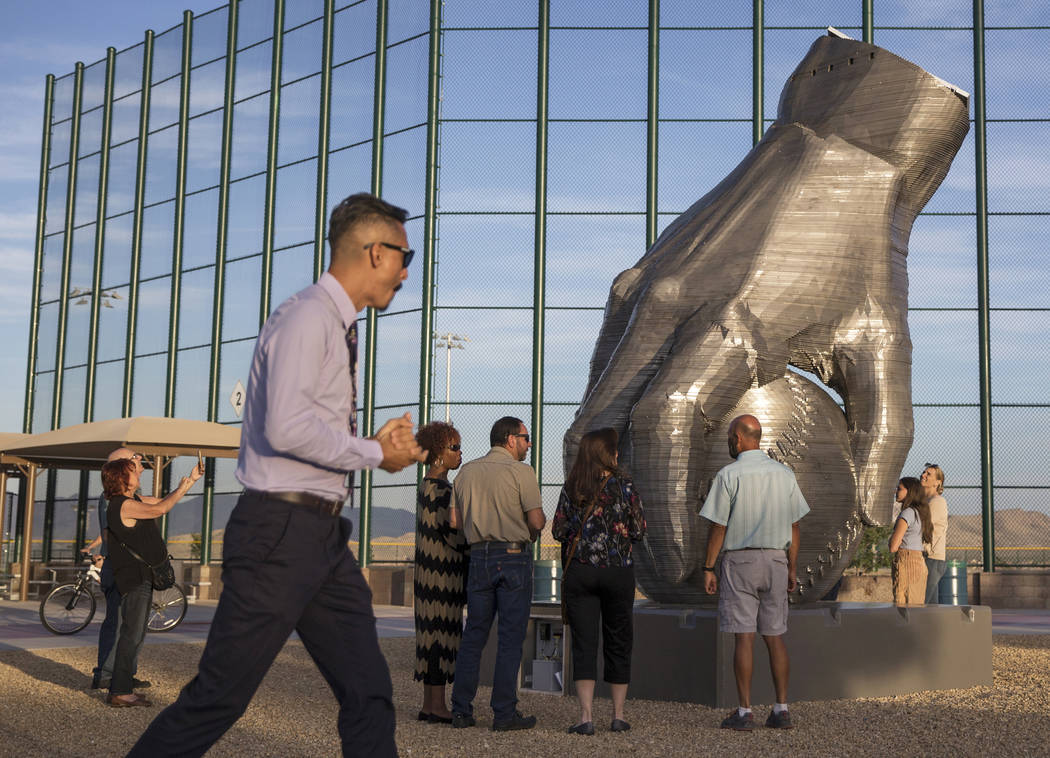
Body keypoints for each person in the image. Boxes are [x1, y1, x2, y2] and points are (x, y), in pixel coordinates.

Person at [127, 193, 426, 757]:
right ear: (373, 251)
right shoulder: (308, 316)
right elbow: (287, 428)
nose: (407, 272)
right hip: (280, 531)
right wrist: (373, 452)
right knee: (217, 698)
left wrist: (375, 445)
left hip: (320, 538)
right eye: (404, 257)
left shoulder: (341, 327)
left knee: (369, 693)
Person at [700, 414, 809, 731]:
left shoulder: (728, 475)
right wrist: (792, 565)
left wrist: (709, 567)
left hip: (741, 562)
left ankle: (745, 712)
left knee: (744, 638)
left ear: (737, 437)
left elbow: (718, 526)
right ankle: (781, 708)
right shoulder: (784, 474)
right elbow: (795, 525)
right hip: (777, 560)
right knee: (775, 637)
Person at [448, 416, 545, 732]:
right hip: (514, 555)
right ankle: (503, 713)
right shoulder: (521, 472)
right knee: (510, 638)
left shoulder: (466, 472)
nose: (529, 444)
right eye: (526, 437)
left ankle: (461, 711)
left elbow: (454, 522)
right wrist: (527, 534)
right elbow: (538, 521)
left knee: (474, 633)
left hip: (479, 557)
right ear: (510, 439)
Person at [553, 427, 646, 736]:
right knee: (619, 640)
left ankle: (586, 716)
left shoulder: (572, 486)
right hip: (618, 570)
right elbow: (638, 529)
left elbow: (558, 530)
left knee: (584, 642)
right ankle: (618, 715)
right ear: (609, 453)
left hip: (581, 571)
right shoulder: (626, 485)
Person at [101, 455, 202, 707]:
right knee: (131, 634)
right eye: (132, 471)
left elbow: (159, 501)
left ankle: (121, 687)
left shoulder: (132, 500)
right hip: (134, 579)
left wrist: (189, 481)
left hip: (141, 577)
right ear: (122, 478)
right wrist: (181, 488)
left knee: (134, 633)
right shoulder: (121, 505)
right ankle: (120, 692)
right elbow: (160, 509)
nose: (138, 474)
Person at [84, 447, 154, 691]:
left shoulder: (132, 493)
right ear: (123, 466)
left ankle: (122, 673)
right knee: (120, 624)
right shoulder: (114, 497)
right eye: (135, 456)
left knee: (133, 626)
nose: (140, 458)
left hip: (130, 567)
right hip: (122, 569)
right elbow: (111, 532)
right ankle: (106, 674)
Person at [413, 421, 467, 723]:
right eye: (454, 448)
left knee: (429, 635)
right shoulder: (443, 491)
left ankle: (429, 704)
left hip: (426, 573)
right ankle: (438, 706)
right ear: (438, 454)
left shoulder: (425, 486)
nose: (459, 453)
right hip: (443, 575)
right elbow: (453, 532)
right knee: (442, 636)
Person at [888, 476, 930, 604]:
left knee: (902, 607)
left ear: (909, 492)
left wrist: (891, 539)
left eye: (899, 489)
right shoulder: (920, 512)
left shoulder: (907, 513)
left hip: (906, 560)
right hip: (919, 562)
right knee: (916, 607)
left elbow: (893, 546)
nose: (896, 491)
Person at [921, 463, 948, 604]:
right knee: (930, 607)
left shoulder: (937, 502)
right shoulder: (925, 501)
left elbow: (921, 527)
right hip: (927, 558)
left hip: (932, 558)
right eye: (924, 472)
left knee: (921, 602)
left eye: (928, 474)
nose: (923, 475)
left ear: (938, 482)